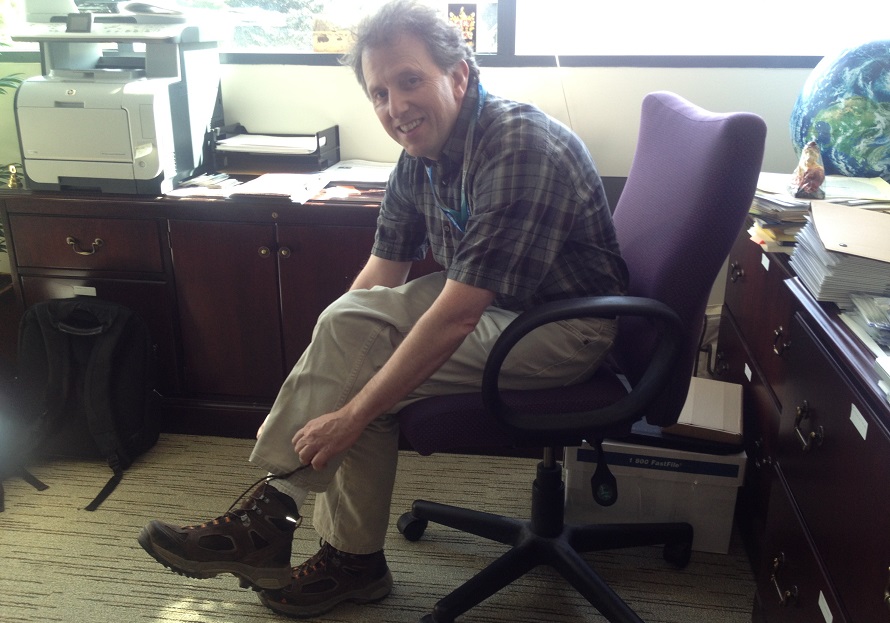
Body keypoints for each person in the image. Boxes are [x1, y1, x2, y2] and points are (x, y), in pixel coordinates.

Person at [137, 0, 628, 618]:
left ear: (459, 74)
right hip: (492, 303)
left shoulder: (519, 147)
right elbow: (379, 274)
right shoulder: (419, 155)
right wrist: (330, 353)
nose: (395, 107)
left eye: (410, 80)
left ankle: (274, 520)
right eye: (379, 92)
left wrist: (348, 409)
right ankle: (347, 559)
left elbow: (456, 316)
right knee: (349, 339)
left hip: (562, 327)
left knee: (363, 397)